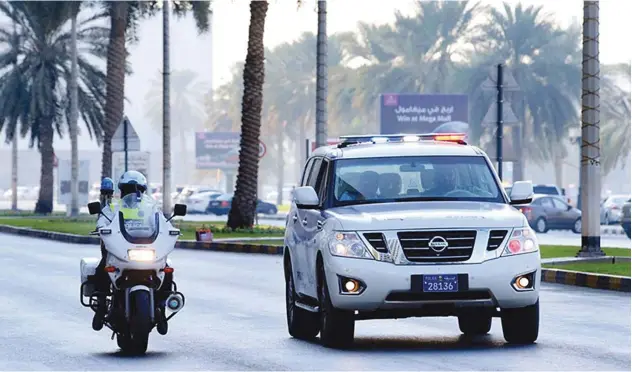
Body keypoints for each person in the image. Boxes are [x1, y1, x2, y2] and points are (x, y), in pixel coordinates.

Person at [92, 170, 150, 330]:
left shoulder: (149, 208)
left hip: (146, 248)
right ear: (122, 191)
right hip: (120, 250)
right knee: (102, 270)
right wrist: (102, 227)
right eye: (129, 189)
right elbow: (103, 220)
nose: (134, 193)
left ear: (143, 191)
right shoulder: (113, 208)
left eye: (137, 189)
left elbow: (162, 223)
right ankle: (101, 307)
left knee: (167, 269)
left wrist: (171, 230)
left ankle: (163, 303)